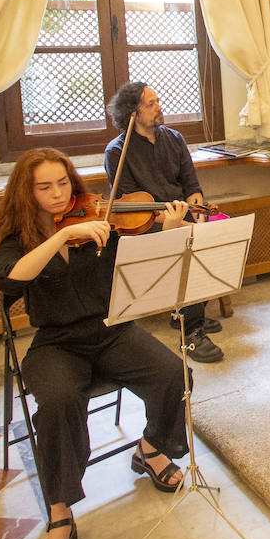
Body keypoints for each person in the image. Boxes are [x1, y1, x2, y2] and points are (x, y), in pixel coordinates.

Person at [0, 148, 192, 539]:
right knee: (59, 401)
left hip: (110, 330)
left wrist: (169, 227)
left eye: (63, 182)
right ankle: (60, 514)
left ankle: (151, 447)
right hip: (57, 343)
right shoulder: (17, 238)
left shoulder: (100, 218)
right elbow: (9, 278)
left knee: (174, 373)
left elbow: (146, 253)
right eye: (45, 186)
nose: (59, 193)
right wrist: (60, 237)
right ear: (27, 191)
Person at [104, 81, 223, 364]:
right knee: (190, 242)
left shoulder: (175, 139)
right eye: (151, 104)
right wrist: (178, 222)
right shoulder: (117, 151)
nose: (160, 107)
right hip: (144, 226)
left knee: (217, 232)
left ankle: (186, 312)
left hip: (180, 216)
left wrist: (199, 215)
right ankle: (191, 333)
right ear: (133, 113)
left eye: (158, 101)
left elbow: (191, 186)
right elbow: (131, 209)